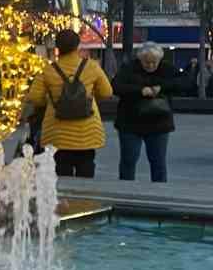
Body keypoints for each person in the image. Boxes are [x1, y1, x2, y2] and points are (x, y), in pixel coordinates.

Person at [23, 29, 112, 178]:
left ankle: (65, 200)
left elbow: (34, 97)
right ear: (77, 46)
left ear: (57, 47)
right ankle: (85, 201)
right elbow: (107, 92)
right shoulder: (91, 67)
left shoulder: (48, 70)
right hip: (87, 132)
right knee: (86, 170)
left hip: (57, 132)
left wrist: (52, 99)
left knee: (61, 174)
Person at [113, 42, 176, 182]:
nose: (151, 66)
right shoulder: (128, 68)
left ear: (160, 60)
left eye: (154, 62)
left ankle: (159, 192)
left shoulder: (166, 68)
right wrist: (139, 90)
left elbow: (186, 83)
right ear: (140, 59)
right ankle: (126, 191)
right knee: (128, 160)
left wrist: (162, 88)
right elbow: (116, 86)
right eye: (146, 62)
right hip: (130, 123)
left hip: (159, 123)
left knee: (158, 162)